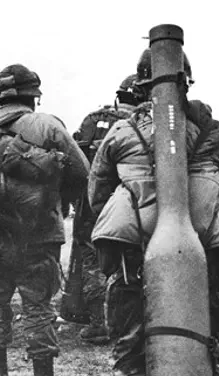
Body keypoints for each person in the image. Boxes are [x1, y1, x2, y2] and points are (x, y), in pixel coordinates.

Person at [88, 47, 219, 376]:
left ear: (141, 85)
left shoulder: (121, 132)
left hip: (131, 255)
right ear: (187, 81)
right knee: (204, 334)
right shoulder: (213, 131)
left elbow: (98, 191)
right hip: (200, 252)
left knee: (129, 343)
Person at [0, 64, 89, 376]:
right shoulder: (47, 125)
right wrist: (57, 196)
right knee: (39, 307)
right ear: (34, 96)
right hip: (39, 233)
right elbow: (82, 172)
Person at [69, 74, 142, 345]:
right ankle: (124, 321)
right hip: (131, 205)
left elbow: (74, 160)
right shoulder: (144, 125)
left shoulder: (93, 120)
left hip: (91, 203)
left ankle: (98, 322)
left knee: (91, 258)